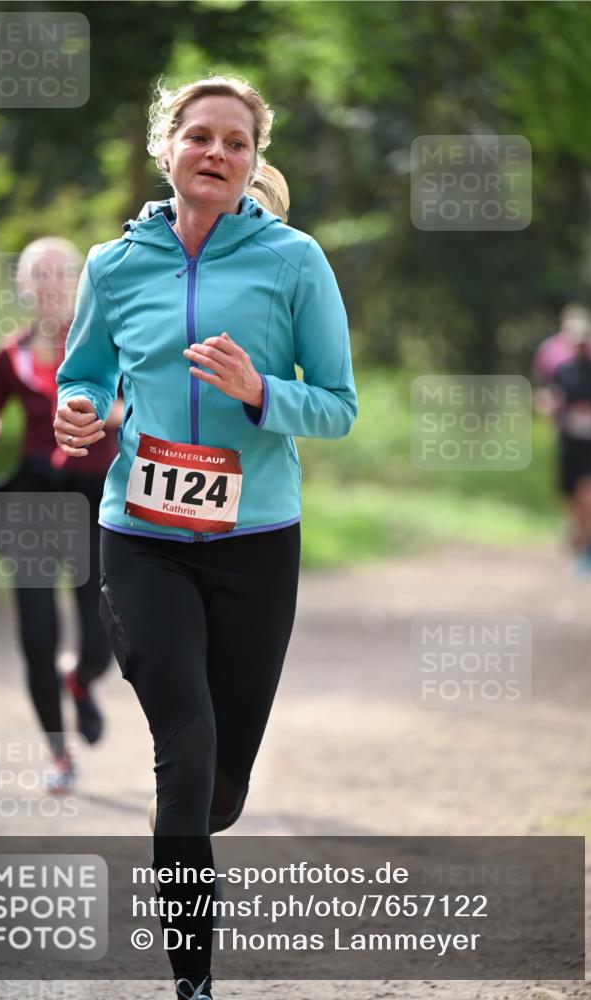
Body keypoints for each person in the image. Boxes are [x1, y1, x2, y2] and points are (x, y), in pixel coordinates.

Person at [54, 75, 357, 999]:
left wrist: (259, 391)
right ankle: (193, 983)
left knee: (219, 783)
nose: (215, 153)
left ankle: (205, 812)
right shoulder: (115, 264)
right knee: (182, 754)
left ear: (253, 161)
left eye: (235, 141)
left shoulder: (294, 261)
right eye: (199, 136)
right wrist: (80, 411)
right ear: (168, 148)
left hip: (256, 542)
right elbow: (88, 375)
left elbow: (339, 407)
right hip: (141, 534)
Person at [0, 237, 120, 793]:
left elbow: (141, 403)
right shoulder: (10, 355)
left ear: (78, 281)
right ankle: (59, 753)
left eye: (61, 274)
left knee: (103, 631)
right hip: (33, 499)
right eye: (39, 275)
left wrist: (114, 412)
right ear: (23, 287)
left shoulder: (107, 345)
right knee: (36, 633)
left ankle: (80, 681)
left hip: (94, 497)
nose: (50, 284)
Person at [533, 306, 591, 574]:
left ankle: (590, 546)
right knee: (571, 494)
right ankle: (583, 537)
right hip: (568, 439)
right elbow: (549, 397)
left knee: (590, 491)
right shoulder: (563, 371)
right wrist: (549, 408)